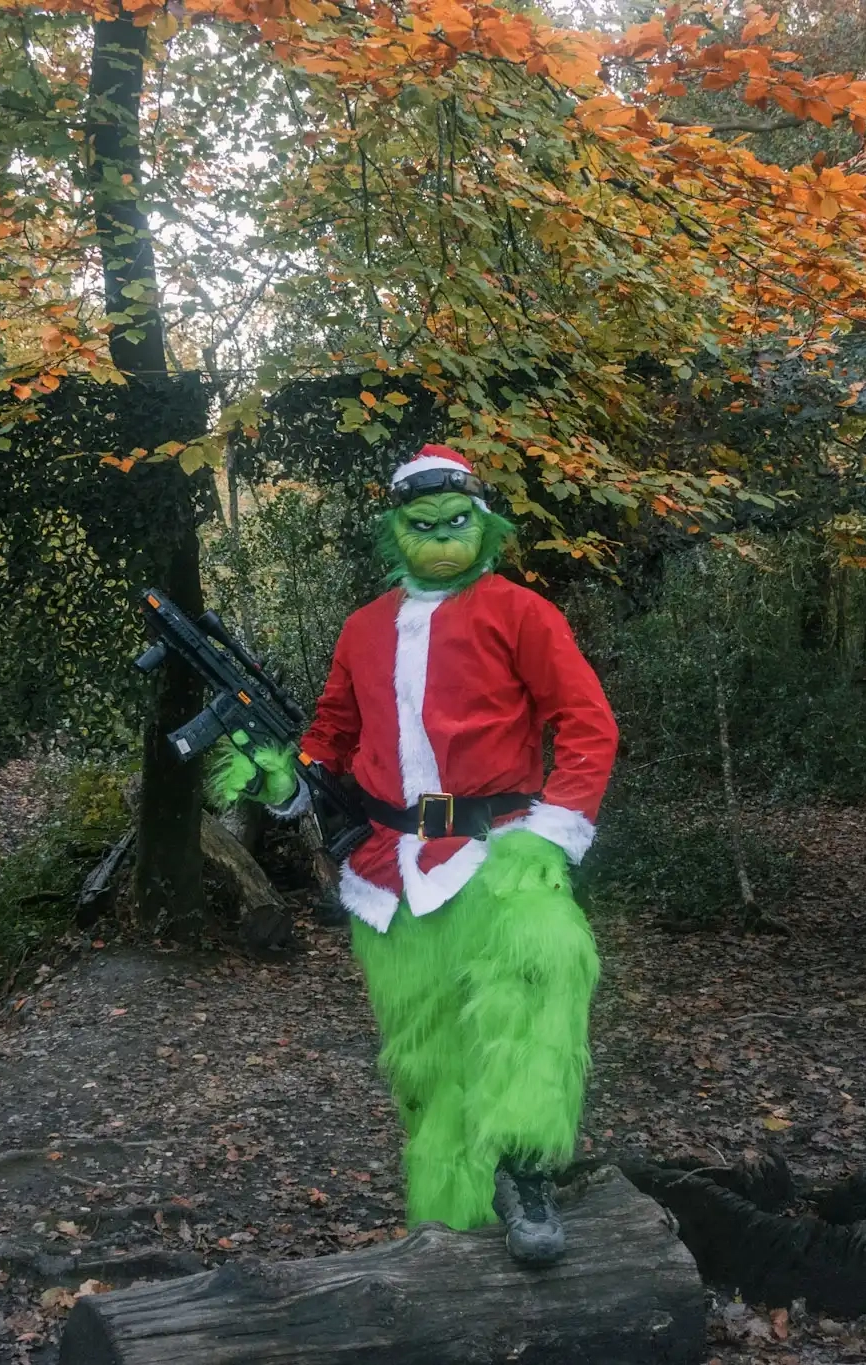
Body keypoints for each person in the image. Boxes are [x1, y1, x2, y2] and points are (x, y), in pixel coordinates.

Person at [209, 444, 618, 1265]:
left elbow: (588, 724)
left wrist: (550, 832)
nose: (439, 539)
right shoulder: (363, 628)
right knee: (429, 1064)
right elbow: (331, 735)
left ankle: (525, 1169)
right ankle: (450, 1229)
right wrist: (288, 781)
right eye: (421, 526)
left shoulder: (522, 613)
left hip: (500, 851)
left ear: (485, 526)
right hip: (387, 870)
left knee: (547, 964)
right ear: (397, 531)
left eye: (457, 523)